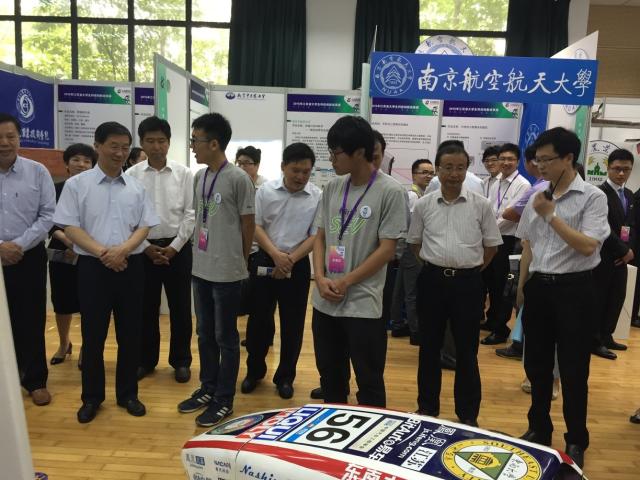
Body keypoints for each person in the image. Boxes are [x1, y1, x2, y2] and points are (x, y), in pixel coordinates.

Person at [516, 127, 609, 468]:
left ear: (568, 158)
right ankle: (539, 429)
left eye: (547, 160)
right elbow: (528, 245)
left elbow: (587, 246)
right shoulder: (538, 195)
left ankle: (576, 438)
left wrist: (551, 216)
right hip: (540, 288)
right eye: (537, 160)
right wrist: (522, 288)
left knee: (573, 369)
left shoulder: (592, 197)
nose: (540, 166)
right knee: (536, 365)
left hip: (576, 290)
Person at [54, 121, 159, 423]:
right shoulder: (77, 185)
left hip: (131, 266)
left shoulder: (136, 187)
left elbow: (144, 226)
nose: (120, 152)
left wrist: (122, 250)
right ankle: (92, 398)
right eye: (114, 146)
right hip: (93, 268)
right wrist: (104, 253)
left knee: (130, 334)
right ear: (97, 146)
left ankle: (128, 394)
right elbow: (70, 226)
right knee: (93, 334)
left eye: (125, 147)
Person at [312, 116, 407, 408]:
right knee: (330, 377)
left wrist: (345, 281)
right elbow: (320, 236)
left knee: (369, 380)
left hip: (363, 303)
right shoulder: (332, 187)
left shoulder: (390, 191)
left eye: (336, 152)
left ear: (360, 153)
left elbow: (387, 250)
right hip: (325, 300)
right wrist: (319, 277)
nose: (331, 159)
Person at [408, 143, 502, 426]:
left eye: (460, 167)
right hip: (432, 281)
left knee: (467, 350)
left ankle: (468, 415)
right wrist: (437, 266)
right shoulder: (424, 204)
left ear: (467, 169)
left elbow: (491, 247)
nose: (454, 173)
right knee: (429, 347)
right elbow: (415, 243)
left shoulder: (481, 205)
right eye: (448, 167)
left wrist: (470, 269)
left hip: (468, 284)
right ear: (438, 169)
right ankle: (427, 408)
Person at [177, 113, 255, 427]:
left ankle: (224, 399)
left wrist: (241, 261)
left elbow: (248, 224)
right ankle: (207, 388)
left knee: (226, 338)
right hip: (201, 268)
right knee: (204, 334)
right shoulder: (200, 176)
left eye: (195, 140)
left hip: (227, 273)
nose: (192, 146)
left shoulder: (238, 178)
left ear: (213, 143)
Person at [242, 142, 321, 399]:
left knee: (293, 324)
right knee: (258, 321)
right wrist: (276, 256)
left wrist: (290, 259)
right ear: (283, 167)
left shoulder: (317, 196)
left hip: (297, 264)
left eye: (306, 172)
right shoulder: (265, 191)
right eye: (295, 170)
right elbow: (256, 226)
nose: (300, 176)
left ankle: (285, 377)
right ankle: (254, 371)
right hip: (266, 258)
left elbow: (315, 235)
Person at [126, 116, 196, 382]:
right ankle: (146, 360)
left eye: (161, 141)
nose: (156, 147)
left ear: (169, 142)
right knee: (145, 308)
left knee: (181, 308)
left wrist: (175, 246)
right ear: (142, 143)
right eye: (150, 141)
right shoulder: (131, 175)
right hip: (143, 250)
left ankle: (181, 361)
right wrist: (145, 247)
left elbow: (191, 213)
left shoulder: (184, 174)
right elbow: (128, 216)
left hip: (178, 249)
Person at [0, 112, 56, 406]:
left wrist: (17, 245)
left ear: (19, 138)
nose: (4, 142)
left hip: (29, 256)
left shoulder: (37, 172)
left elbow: (47, 216)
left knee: (31, 318)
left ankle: (35, 380)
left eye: (10, 136)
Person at [495, 145, 547, 360]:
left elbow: (511, 214)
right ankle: (522, 343)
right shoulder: (543, 186)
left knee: (520, 293)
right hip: (534, 249)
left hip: (526, 247)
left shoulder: (535, 188)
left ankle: (520, 344)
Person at [48, 143, 97, 366]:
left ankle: (87, 347)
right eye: (76, 159)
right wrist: (69, 240)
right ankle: (63, 343)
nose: (81, 164)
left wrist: (81, 244)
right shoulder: (55, 189)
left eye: (87, 161)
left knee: (89, 302)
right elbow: (48, 220)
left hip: (90, 253)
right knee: (61, 301)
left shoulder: (97, 191)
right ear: (67, 164)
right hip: (62, 252)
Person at [481, 143, 531, 345]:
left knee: (504, 285)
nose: (506, 162)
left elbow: (512, 215)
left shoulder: (523, 184)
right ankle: (492, 321)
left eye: (510, 159)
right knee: (491, 283)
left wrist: (489, 231)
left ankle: (501, 329)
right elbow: (490, 210)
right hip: (492, 239)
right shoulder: (496, 182)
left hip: (508, 240)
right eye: (502, 158)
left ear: (518, 162)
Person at [592, 148, 635, 360]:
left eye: (626, 169)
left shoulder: (629, 195)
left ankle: (607, 335)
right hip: (603, 256)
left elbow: (631, 226)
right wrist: (623, 250)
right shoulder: (599, 193)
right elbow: (602, 227)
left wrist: (629, 251)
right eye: (617, 169)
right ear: (607, 168)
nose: (621, 173)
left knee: (617, 297)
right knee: (599, 298)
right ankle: (594, 340)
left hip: (623, 258)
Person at [390, 158, 434, 345]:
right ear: (414, 175)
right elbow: (411, 226)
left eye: (431, 173)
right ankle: (416, 332)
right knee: (413, 291)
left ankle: (398, 324)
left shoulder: (422, 194)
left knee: (400, 288)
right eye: (424, 172)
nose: (428, 176)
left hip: (411, 247)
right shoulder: (414, 196)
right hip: (412, 247)